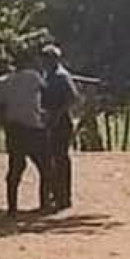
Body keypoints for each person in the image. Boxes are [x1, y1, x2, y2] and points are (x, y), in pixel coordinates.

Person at [0, 47, 51, 217]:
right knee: (45, 167)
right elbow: (46, 93)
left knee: (15, 168)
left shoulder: (6, 81)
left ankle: (12, 207)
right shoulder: (34, 77)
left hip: (14, 129)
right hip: (33, 127)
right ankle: (44, 203)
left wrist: (5, 123)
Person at [41, 44, 79, 210]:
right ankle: (55, 193)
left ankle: (64, 196)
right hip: (49, 119)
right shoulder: (46, 76)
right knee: (50, 158)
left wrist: (58, 114)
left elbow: (72, 98)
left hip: (61, 121)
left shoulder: (62, 76)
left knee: (61, 158)